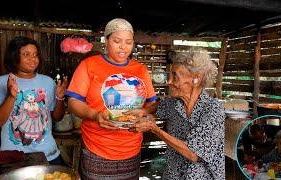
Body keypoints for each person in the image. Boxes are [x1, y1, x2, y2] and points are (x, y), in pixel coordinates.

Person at [66, 18, 158, 179]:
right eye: (117, 41)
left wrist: (143, 111)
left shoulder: (140, 69)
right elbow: (74, 102)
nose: (123, 47)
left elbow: (152, 103)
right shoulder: (89, 65)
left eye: (128, 42)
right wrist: (95, 115)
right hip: (97, 149)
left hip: (131, 149)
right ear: (106, 40)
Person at [128, 47, 225, 179]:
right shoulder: (175, 103)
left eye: (175, 76)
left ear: (196, 78)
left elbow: (194, 154)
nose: (169, 81)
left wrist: (155, 129)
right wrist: (144, 111)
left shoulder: (213, 109)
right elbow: (160, 104)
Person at [0, 36, 68, 164]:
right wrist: (11, 97)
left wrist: (60, 97)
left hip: (48, 155)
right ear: (14, 57)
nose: (33, 59)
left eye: (35, 55)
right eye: (26, 54)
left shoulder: (47, 82)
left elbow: (57, 117)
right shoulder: (0, 83)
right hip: (13, 158)